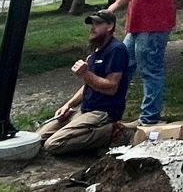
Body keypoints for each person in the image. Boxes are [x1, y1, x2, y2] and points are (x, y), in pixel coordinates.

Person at [109, 0, 179, 127]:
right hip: (141, 25)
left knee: (150, 70)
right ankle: (110, 114)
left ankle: (149, 120)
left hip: (153, 25)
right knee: (124, 67)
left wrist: (115, 5)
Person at [36, 9, 133, 155]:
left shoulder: (116, 50)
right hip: (84, 109)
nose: (92, 28)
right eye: (92, 24)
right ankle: (86, 132)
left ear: (110, 26)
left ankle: (113, 132)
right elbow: (88, 85)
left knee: (54, 144)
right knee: (38, 138)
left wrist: (85, 74)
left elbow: (111, 87)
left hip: (103, 111)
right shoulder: (95, 52)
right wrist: (68, 105)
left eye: (98, 24)